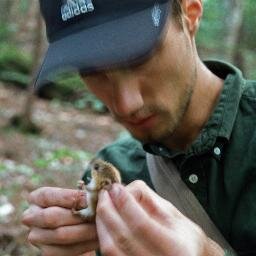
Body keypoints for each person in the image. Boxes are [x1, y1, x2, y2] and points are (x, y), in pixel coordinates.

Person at [22, 0, 256, 255]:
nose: (126, 104)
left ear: (190, 12)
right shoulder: (113, 168)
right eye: (92, 72)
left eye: (140, 58)